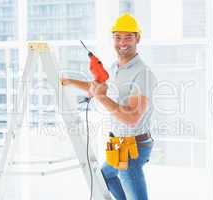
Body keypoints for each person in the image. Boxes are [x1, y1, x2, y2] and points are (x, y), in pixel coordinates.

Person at [61, 13, 157, 200]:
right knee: (104, 178)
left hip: (132, 149)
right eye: (117, 37)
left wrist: (101, 98)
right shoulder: (114, 68)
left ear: (138, 38)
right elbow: (97, 88)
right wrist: (68, 81)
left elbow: (131, 118)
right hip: (118, 146)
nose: (122, 42)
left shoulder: (143, 73)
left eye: (128, 37)